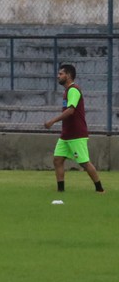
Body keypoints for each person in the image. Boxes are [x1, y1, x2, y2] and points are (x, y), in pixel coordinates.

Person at [43, 63, 104, 193]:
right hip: (66, 134)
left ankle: (100, 189)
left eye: (61, 74)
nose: (58, 76)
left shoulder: (74, 90)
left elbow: (71, 111)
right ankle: (61, 191)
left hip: (76, 133)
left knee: (84, 163)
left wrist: (52, 121)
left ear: (68, 75)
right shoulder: (67, 91)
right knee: (58, 160)